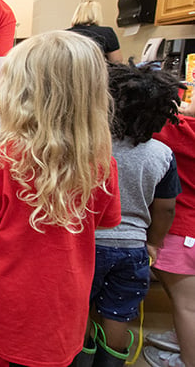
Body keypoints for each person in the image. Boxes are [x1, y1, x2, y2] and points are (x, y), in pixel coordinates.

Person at [0, 31, 122, 367]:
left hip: (9, 298)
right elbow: (101, 222)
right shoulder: (102, 165)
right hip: (67, 302)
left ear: (20, 95)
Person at [86, 64, 180, 366]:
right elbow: (166, 207)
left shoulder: (90, 146)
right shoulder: (162, 154)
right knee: (119, 313)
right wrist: (153, 243)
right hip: (133, 248)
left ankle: (81, 355)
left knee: (82, 307)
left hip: (86, 244)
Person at [146, 97, 195, 367]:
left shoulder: (179, 130)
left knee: (186, 305)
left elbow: (140, 117)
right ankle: (182, 337)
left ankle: (188, 359)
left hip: (183, 232)